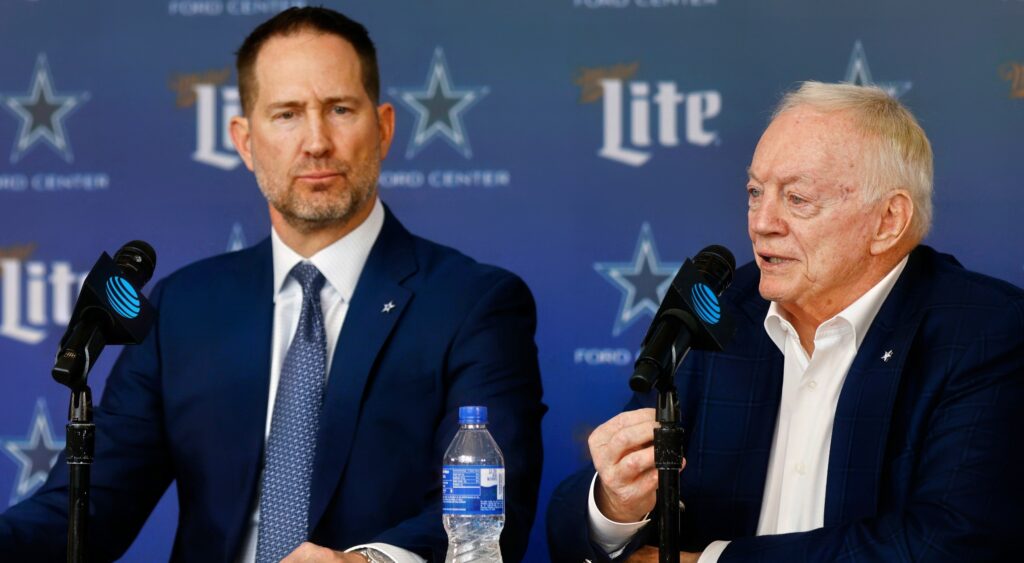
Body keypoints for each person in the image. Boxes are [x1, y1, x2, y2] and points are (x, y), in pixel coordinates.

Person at [0, 7, 545, 562]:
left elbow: (489, 516)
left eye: (339, 109)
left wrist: (362, 562)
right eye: (286, 114)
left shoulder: (473, 304)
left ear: (383, 128)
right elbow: (90, 507)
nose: (316, 141)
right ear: (244, 140)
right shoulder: (184, 308)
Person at [547, 81, 1024, 562]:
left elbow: (949, 541)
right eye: (756, 192)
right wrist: (615, 506)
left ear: (887, 221)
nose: (761, 222)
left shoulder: (984, 332)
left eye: (797, 199)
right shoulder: (718, 307)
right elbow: (569, 522)